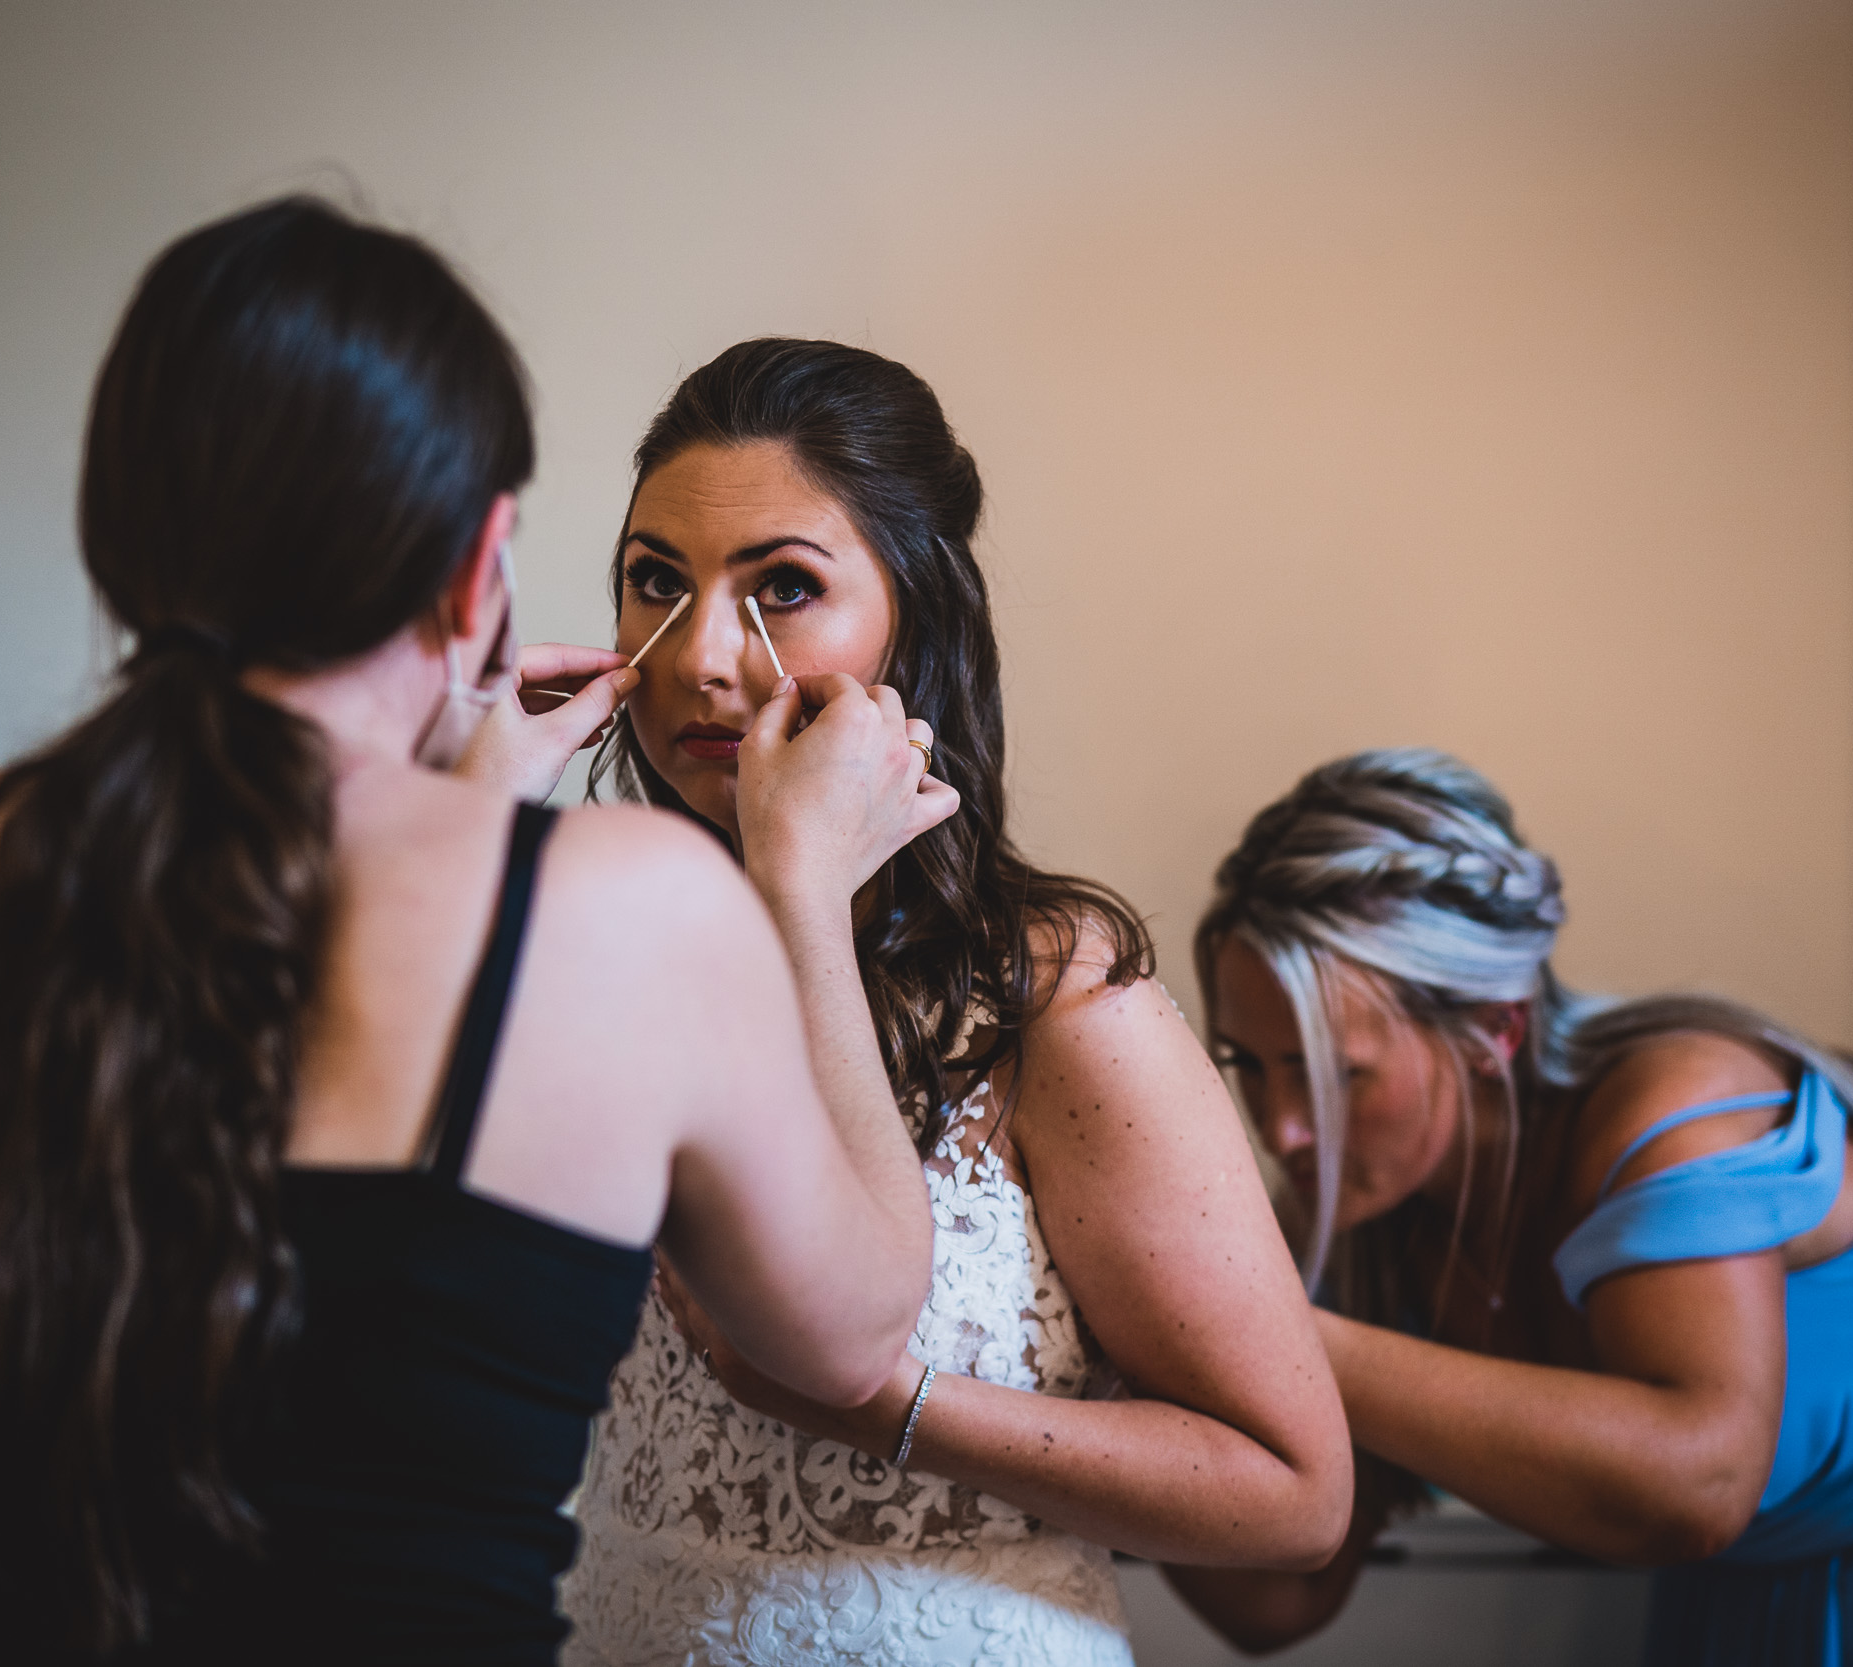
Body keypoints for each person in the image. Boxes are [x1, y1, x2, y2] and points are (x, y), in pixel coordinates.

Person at [0, 199, 952, 1664]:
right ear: (481, 569)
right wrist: (797, 890)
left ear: (118, 533)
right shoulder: (635, 906)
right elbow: (851, 1331)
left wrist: (460, 796)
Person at [555, 339, 1353, 1667]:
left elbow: (1293, 1491)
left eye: (784, 589)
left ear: (913, 618)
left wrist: (882, 1406)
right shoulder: (597, 955)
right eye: (656, 581)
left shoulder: (1053, 998)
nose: (701, 656)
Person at [1166, 748, 1853, 1664]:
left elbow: (1697, 1482)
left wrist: (1286, 1340)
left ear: (1493, 1029)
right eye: (1246, 1066)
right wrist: (1105, 1376)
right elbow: (1277, 1601)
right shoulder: (1361, 1219)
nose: (1281, 1129)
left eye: (1331, 1075)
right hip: (1743, 1615)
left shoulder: (1677, 1106)